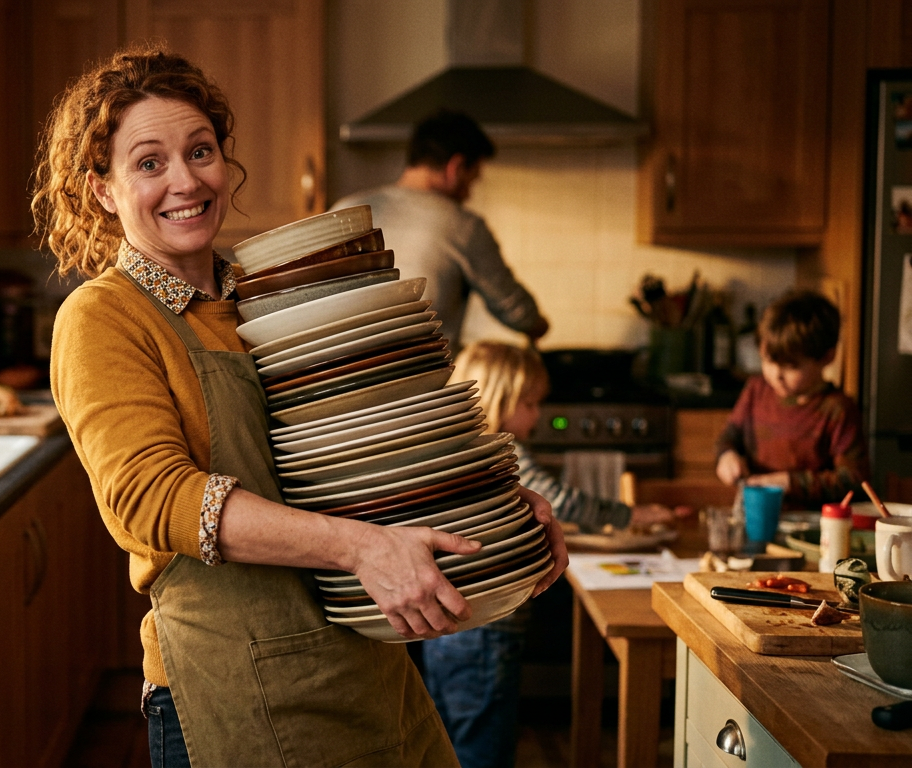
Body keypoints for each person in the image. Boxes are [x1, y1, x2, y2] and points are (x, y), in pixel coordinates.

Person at [34, 46, 568, 768]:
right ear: (102, 189)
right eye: (149, 162)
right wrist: (360, 548)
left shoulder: (270, 294)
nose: (185, 180)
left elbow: (378, 446)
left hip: (367, 662)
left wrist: (495, 505)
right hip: (229, 682)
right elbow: (150, 498)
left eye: (200, 150)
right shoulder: (105, 317)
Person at [420, 341, 672, 768]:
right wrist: (626, 514)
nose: (539, 415)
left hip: (447, 625)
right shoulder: (500, 453)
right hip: (486, 627)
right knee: (484, 748)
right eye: (531, 403)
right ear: (498, 398)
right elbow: (556, 500)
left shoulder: (455, 453)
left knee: (448, 739)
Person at [332, 109, 548, 345]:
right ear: (455, 168)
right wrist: (539, 326)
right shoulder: (463, 226)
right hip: (424, 378)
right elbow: (514, 309)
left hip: (339, 377)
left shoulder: (343, 210)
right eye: (471, 180)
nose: (468, 194)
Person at [715, 289, 869, 507]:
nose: (775, 375)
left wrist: (789, 483)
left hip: (815, 528)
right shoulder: (756, 390)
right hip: (756, 516)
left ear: (827, 357)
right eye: (768, 361)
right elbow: (728, 438)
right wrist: (726, 456)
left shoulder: (838, 409)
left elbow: (854, 480)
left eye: (790, 366)